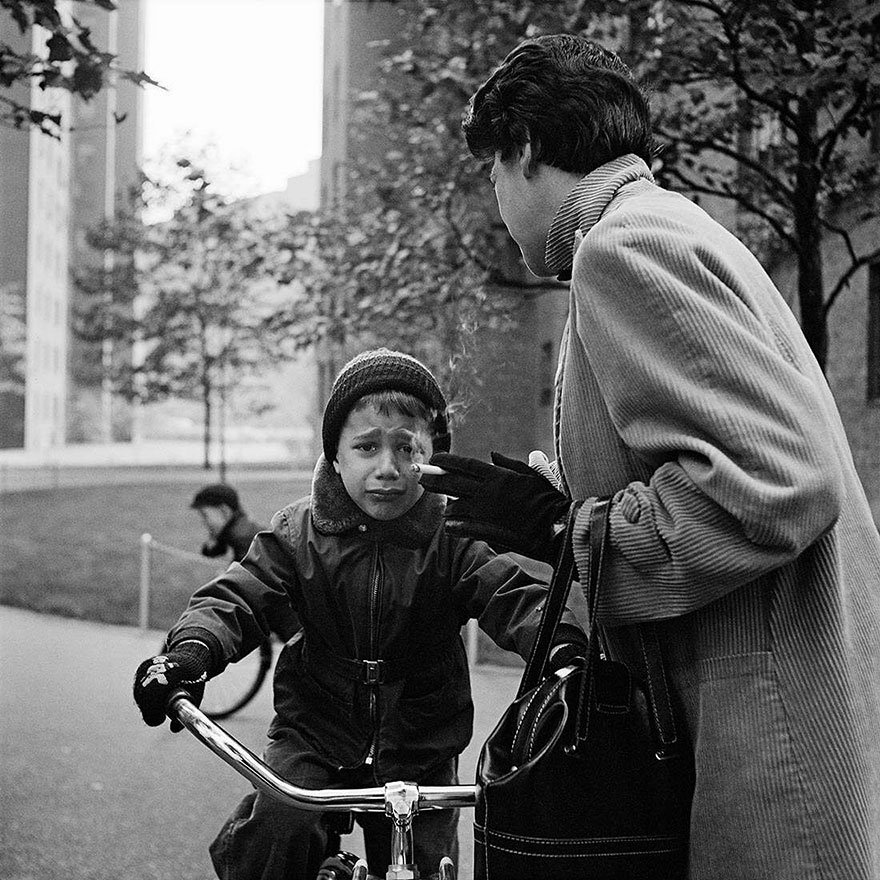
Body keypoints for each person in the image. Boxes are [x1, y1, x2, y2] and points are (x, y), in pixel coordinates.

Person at [418, 35, 880, 880]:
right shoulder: (670, 226)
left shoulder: (623, 247)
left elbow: (775, 482)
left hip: (765, 734)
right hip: (779, 704)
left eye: (491, 174)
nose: (494, 200)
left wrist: (568, 528)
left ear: (523, 151)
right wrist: (569, 499)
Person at [133, 348, 588, 880]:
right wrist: (190, 654)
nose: (387, 468)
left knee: (427, 864)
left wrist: (563, 651)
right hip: (316, 729)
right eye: (367, 447)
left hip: (421, 742)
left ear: (431, 454)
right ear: (336, 456)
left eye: (406, 448)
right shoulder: (297, 533)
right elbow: (236, 596)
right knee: (282, 826)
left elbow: (512, 595)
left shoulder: (453, 537)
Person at [190, 482, 300, 642]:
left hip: (289, 615)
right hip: (282, 612)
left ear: (224, 511)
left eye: (205, 515)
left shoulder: (242, 536)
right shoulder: (237, 528)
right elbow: (213, 550)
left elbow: (242, 585)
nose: (203, 522)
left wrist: (229, 575)